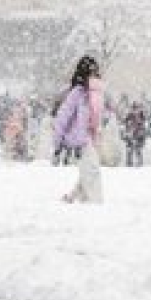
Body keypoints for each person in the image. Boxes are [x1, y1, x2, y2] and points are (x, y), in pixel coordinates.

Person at [53, 56, 104, 203]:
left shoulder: (95, 93)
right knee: (92, 169)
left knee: (88, 170)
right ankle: (95, 201)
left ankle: (72, 197)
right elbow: (63, 116)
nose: (94, 73)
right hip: (78, 140)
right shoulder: (77, 92)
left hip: (88, 138)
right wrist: (58, 141)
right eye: (91, 71)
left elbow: (96, 117)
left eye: (96, 70)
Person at [121, 101, 147, 167]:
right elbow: (125, 126)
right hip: (130, 136)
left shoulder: (142, 116)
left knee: (138, 150)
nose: (135, 110)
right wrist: (126, 135)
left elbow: (144, 127)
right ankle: (129, 164)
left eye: (136, 108)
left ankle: (139, 163)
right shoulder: (129, 116)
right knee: (129, 151)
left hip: (139, 136)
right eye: (134, 108)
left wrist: (142, 134)